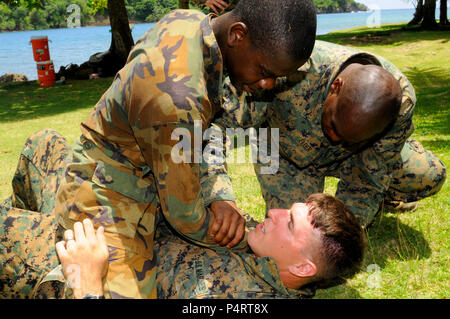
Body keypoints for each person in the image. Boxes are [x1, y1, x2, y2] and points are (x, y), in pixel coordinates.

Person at [2, 1, 318, 299]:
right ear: (238, 34)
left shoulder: (189, 22)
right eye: (265, 70)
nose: (267, 85)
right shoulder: (178, 98)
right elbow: (185, 215)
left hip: (128, 164)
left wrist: (220, 196)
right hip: (106, 194)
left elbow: (203, 131)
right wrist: (235, 238)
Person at [1, 130, 365, 299]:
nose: (274, 210)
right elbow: (207, 137)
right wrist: (222, 199)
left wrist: (88, 284)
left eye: (289, 221)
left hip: (96, 266)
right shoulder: (266, 250)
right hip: (127, 224)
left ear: (303, 268)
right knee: (43, 145)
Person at [202, 40, 447, 228]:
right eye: (333, 126)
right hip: (285, 154)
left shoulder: (399, 104)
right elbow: (214, 128)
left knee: (429, 174)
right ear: (335, 87)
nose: (336, 140)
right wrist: (219, 196)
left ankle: (388, 198)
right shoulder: (288, 67)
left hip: (357, 159)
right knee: (296, 230)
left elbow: (369, 178)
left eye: (350, 138)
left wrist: (347, 228)